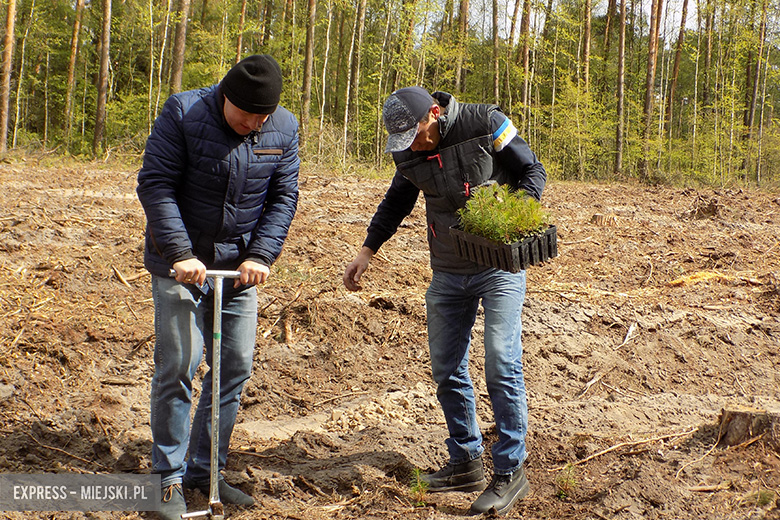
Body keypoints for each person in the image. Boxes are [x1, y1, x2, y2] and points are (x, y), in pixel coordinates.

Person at [343, 86, 546, 516]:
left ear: (434, 113)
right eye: (403, 143)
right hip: (449, 271)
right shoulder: (408, 152)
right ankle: (465, 462)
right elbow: (398, 199)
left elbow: (533, 172)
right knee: (446, 367)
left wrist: (512, 215)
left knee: (500, 361)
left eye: (416, 134)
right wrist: (367, 249)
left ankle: (511, 472)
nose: (413, 146)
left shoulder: (485, 122)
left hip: (498, 267)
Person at [136, 54, 299, 520]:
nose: (253, 123)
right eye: (245, 114)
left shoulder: (282, 129)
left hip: (237, 271)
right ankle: (165, 481)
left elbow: (284, 197)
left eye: (261, 117)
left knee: (235, 366)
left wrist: (260, 255)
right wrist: (180, 253)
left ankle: (206, 471)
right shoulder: (184, 113)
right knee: (181, 364)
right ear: (225, 96)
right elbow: (156, 184)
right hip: (179, 265)